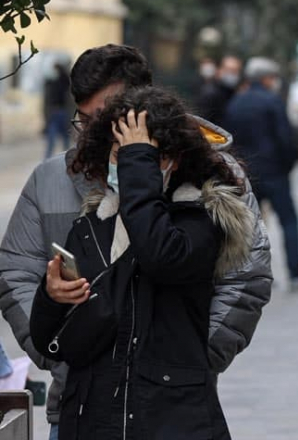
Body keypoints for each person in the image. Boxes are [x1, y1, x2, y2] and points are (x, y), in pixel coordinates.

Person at [0, 44, 272, 440]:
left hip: (170, 412)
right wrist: (64, 355)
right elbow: (17, 273)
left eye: (111, 116)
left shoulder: (208, 187)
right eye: (87, 118)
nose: (99, 130)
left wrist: (180, 366)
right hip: (80, 407)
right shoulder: (56, 183)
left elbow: (245, 280)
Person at [226, 57, 298, 291]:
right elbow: (285, 138)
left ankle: (250, 274)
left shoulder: (236, 102)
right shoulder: (273, 101)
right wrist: (288, 165)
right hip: (274, 172)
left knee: (250, 225)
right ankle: (296, 273)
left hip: (247, 173)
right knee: (289, 221)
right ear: (267, 78)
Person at [199, 55, 243, 128]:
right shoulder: (210, 93)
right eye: (229, 70)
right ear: (219, 70)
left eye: (235, 71)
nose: (231, 74)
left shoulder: (235, 93)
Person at [43, 62, 72, 159]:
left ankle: (66, 159)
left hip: (63, 112)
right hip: (54, 112)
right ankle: (47, 159)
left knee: (65, 138)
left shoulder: (64, 81)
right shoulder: (51, 83)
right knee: (51, 138)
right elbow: (47, 101)